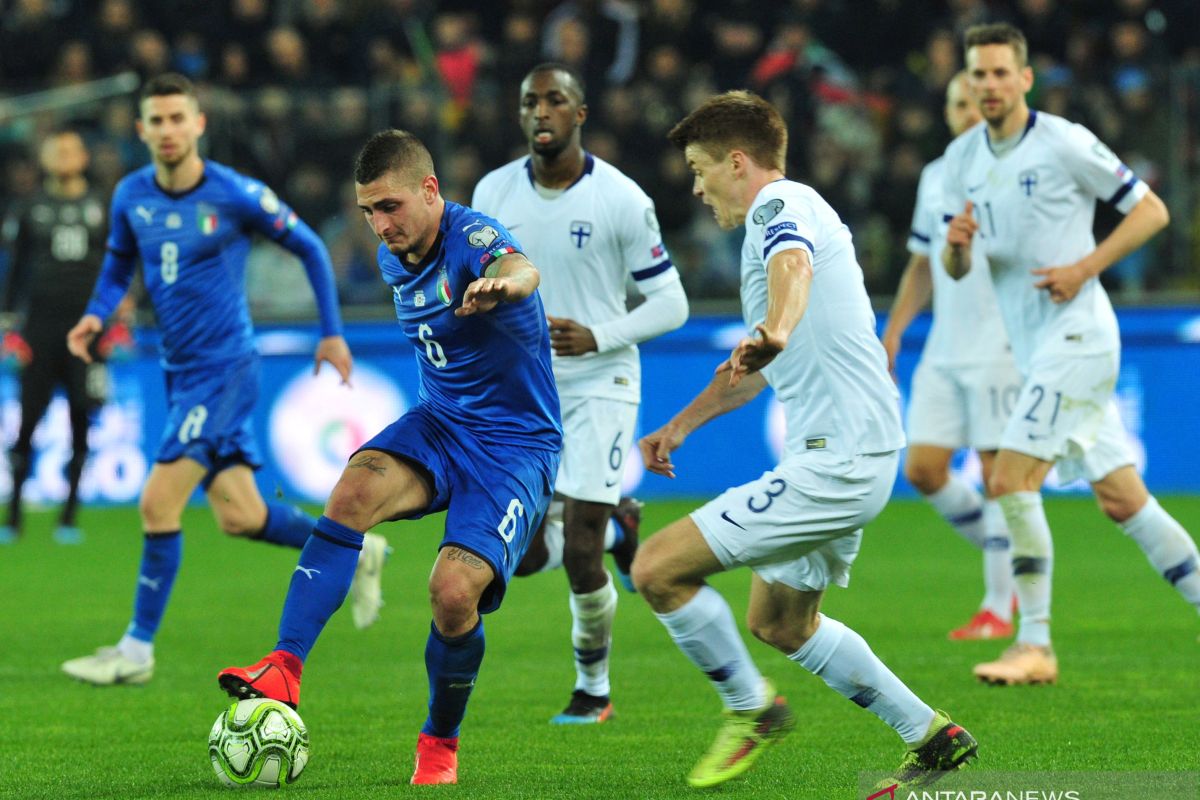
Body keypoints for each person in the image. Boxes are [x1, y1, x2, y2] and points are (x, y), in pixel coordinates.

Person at [632, 90, 976, 792]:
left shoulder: (778, 206)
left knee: (655, 569)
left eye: (700, 170)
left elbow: (795, 268)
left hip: (839, 459)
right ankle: (932, 736)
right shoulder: (786, 221)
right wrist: (679, 427)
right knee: (780, 623)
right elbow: (750, 373)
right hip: (848, 453)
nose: (697, 189)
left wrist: (780, 327)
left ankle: (750, 710)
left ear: (737, 162)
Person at [218, 129, 562, 786]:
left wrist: (507, 288)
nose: (380, 224)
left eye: (391, 206)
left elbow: (521, 267)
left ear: (431, 191)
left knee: (452, 593)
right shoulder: (393, 256)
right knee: (348, 494)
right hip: (441, 423)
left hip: (514, 446)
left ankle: (439, 741)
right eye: (368, 210)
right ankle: (283, 669)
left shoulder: (472, 239)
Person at [59, 73, 371, 688]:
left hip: (226, 369)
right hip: (178, 372)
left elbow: (309, 246)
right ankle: (353, 550)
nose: (168, 130)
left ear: (198, 123)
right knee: (242, 517)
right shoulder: (130, 196)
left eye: (179, 118)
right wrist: (97, 312)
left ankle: (136, 650)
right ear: (141, 129)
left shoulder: (235, 195)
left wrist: (331, 332)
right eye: (157, 120)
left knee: (157, 500)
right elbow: (120, 260)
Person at [942, 23, 1200, 685]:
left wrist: (1085, 268)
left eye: (1002, 73)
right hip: (1039, 350)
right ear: (969, 82)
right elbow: (958, 263)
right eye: (980, 75)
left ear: (1025, 78)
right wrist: (960, 246)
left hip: (1079, 339)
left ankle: (1034, 646)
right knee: (1123, 500)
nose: (990, 85)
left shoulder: (1063, 142)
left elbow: (1151, 211)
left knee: (1008, 478)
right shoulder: (965, 158)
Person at [471, 62, 688, 724]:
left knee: (582, 551)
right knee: (528, 553)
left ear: (580, 114)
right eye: (530, 101)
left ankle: (593, 689)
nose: (542, 112)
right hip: (523, 390)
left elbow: (672, 302)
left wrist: (600, 335)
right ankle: (623, 524)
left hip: (602, 380)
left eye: (556, 100)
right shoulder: (492, 191)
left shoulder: (620, 199)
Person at [881, 72, 1018, 641]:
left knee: (996, 474)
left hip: (998, 341)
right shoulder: (937, 177)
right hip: (943, 344)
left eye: (971, 102)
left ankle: (998, 601)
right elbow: (922, 260)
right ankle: (1012, 558)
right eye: (955, 102)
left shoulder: (1008, 172)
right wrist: (894, 330)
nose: (964, 111)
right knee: (924, 469)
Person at [0, 128, 125, 546]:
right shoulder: (29, 208)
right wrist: (10, 326)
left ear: (83, 157)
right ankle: (14, 515)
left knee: (81, 423)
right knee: (27, 423)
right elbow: (14, 272)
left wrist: (116, 317)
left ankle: (69, 516)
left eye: (71, 148)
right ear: (45, 158)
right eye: (56, 149)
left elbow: (120, 267)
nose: (64, 155)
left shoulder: (102, 207)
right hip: (39, 332)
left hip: (87, 334)